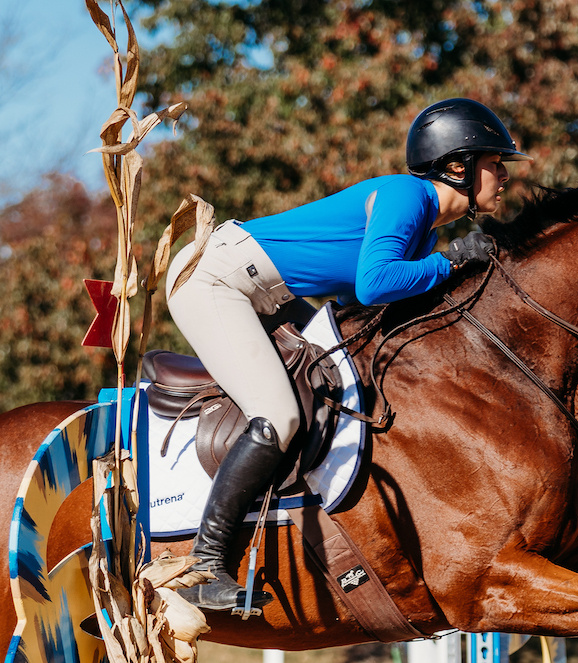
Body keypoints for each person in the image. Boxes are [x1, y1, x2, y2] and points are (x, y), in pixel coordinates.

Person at [164, 97, 529, 613]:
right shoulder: (408, 196)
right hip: (215, 281)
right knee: (280, 413)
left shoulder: (424, 224)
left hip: (265, 292)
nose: (504, 175)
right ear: (457, 166)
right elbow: (375, 281)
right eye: (496, 163)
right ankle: (205, 563)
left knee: (330, 384)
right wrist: (448, 262)